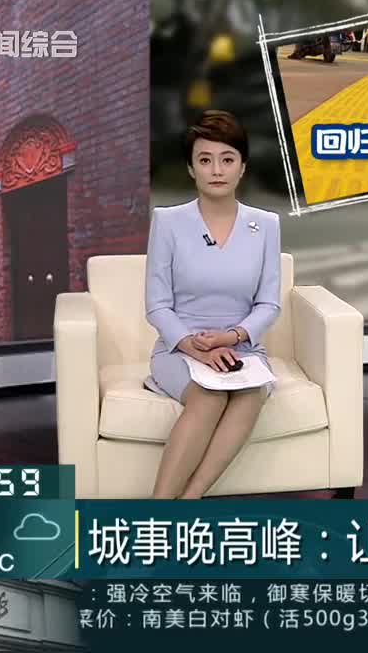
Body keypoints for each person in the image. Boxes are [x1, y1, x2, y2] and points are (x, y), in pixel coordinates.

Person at [143, 110, 282, 499]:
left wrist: (232, 337)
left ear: (242, 166)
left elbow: (269, 303)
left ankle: (190, 501)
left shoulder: (266, 225)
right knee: (208, 397)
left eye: (227, 159)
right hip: (180, 348)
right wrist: (197, 348)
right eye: (205, 160)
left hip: (242, 348)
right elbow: (157, 305)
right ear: (191, 169)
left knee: (250, 394)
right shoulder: (168, 222)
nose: (217, 170)